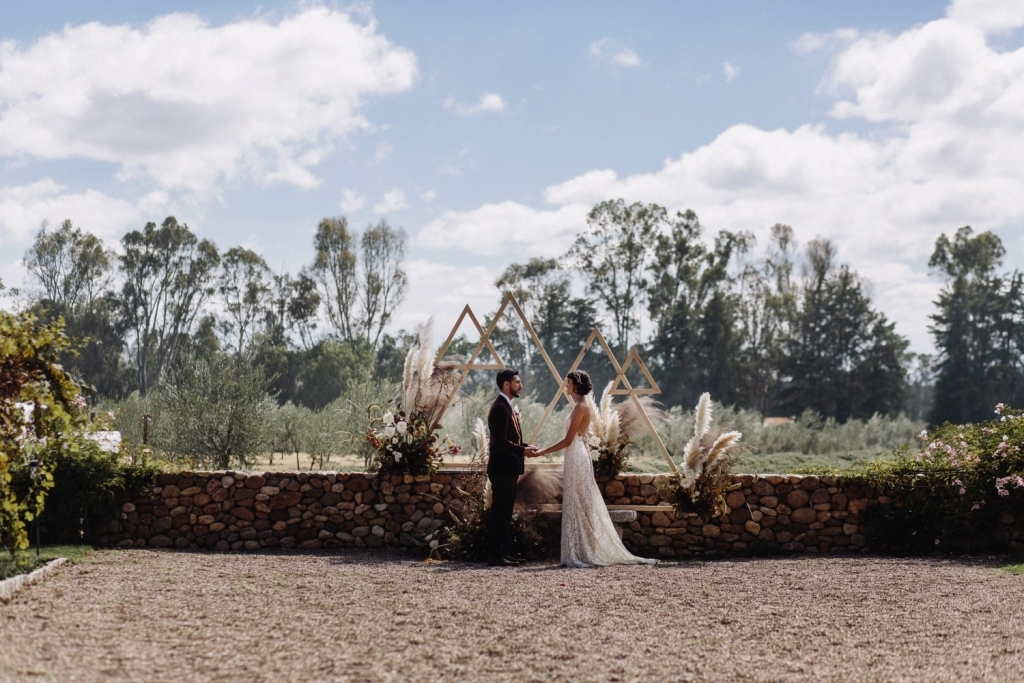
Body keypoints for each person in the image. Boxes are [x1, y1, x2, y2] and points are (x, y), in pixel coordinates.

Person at [534, 370, 658, 568]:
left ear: (575, 385)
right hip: (577, 453)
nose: (565, 386)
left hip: (576, 455)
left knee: (578, 501)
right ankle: (580, 550)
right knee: (577, 500)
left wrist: (542, 452)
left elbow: (567, 440)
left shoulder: (580, 407)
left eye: (568, 383)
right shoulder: (581, 406)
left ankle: (580, 552)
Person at [486, 368, 539, 567]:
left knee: (505, 513)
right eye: (517, 382)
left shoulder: (507, 406)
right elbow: (500, 442)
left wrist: (526, 447)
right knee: (500, 513)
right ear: (506, 385)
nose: (521, 385)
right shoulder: (499, 407)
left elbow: (510, 440)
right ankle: (495, 556)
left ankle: (503, 553)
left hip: (508, 470)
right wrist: (522, 451)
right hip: (501, 470)